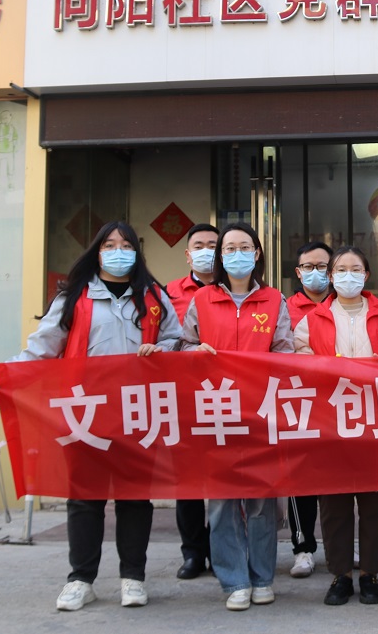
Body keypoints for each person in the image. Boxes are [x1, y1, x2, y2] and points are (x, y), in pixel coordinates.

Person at [0, 221, 181, 612]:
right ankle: (81, 579)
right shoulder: (75, 296)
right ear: (97, 251)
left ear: (137, 252)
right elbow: (42, 347)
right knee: (84, 498)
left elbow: (176, 339)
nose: (118, 251)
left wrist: (163, 351)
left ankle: (133, 578)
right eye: (109, 245)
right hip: (85, 410)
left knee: (134, 499)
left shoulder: (154, 296)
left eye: (126, 245)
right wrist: (7, 380)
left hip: (137, 412)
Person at [180, 222, 293, 611]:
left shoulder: (275, 299)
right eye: (229, 248)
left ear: (257, 254)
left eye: (245, 247)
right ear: (220, 256)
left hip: (262, 412)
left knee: (262, 501)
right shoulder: (202, 299)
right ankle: (234, 580)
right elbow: (183, 345)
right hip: (217, 412)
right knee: (222, 502)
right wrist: (193, 353)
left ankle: (262, 577)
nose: (237, 254)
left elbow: (286, 351)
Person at [294, 246, 378, 606]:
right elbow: (301, 362)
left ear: (366, 275)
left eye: (355, 269)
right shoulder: (312, 319)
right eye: (340, 269)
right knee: (334, 504)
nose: (347, 275)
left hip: (376, 421)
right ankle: (340, 574)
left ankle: (370, 572)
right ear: (330, 276)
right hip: (331, 421)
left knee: (375, 502)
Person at [166, 223, 219, 580]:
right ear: (187, 255)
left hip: (226, 397)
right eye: (199, 245)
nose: (206, 251)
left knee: (222, 479)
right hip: (184, 396)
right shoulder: (168, 293)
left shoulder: (233, 290)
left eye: (213, 245)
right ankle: (193, 552)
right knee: (186, 481)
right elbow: (161, 337)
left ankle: (220, 548)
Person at [284, 240, 333, 579]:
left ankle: (340, 543)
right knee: (300, 480)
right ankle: (303, 548)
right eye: (308, 266)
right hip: (299, 403)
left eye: (322, 266)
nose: (316, 272)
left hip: (339, 403)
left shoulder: (347, 304)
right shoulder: (284, 308)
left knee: (339, 480)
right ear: (298, 272)